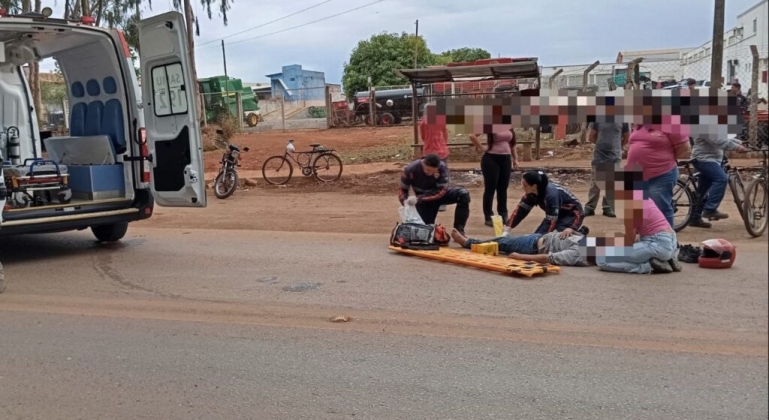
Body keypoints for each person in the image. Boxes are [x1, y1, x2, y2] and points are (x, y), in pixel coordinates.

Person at [594, 169, 681, 274]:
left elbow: (630, 240)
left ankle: (648, 266)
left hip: (657, 244)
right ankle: (665, 259)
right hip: (671, 241)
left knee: (602, 260)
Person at [625, 124, 690, 228]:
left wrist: (662, 161)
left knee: (661, 209)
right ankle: (648, 239)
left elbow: (684, 149)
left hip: (660, 175)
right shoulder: (639, 124)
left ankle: (667, 241)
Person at [398, 154, 471, 235]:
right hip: (425, 201)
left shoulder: (442, 167)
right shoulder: (410, 169)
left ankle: (459, 231)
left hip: (437, 196)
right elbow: (402, 189)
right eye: (428, 170)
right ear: (423, 164)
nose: (430, 173)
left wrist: (418, 198)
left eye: (433, 172)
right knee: (424, 231)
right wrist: (405, 202)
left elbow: (441, 191)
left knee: (463, 194)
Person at [688, 136, 752, 228]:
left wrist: (738, 142)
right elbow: (718, 140)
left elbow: (723, 137)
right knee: (721, 179)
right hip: (704, 159)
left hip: (709, 159)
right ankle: (710, 209)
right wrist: (737, 147)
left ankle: (695, 217)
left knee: (703, 189)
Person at [450, 228, 592, 267]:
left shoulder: (577, 254)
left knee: (500, 241)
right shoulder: (586, 243)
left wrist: (521, 257)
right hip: (539, 238)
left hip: (532, 246)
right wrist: (570, 229)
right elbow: (580, 232)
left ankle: (468, 242)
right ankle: (469, 242)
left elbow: (548, 258)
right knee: (504, 240)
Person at [507, 170, 586, 235]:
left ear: (534, 186)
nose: (522, 187)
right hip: (556, 214)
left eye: (525, 185)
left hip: (571, 215)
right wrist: (508, 228)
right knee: (537, 236)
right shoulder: (531, 194)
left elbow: (551, 221)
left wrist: (542, 237)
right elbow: (521, 210)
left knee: (558, 238)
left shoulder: (551, 195)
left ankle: (579, 233)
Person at [469, 129, 519, 227]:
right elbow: (472, 135)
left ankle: (503, 214)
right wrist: (482, 147)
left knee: (503, 188)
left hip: (506, 159)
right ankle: (488, 216)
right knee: (490, 189)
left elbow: (512, 144)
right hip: (491, 159)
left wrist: (515, 158)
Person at [585, 122, 629, 217]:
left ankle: (608, 208)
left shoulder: (623, 121)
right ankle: (589, 207)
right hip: (599, 156)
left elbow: (627, 138)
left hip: (614, 157)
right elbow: (591, 137)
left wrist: (616, 147)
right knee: (595, 183)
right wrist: (602, 143)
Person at [419, 103, 450, 212]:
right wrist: (443, 144)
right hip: (442, 151)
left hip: (429, 151)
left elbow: (423, 136)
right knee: (444, 175)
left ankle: (431, 198)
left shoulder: (423, 122)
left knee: (429, 175)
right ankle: (443, 201)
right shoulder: (441, 120)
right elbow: (445, 134)